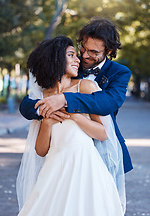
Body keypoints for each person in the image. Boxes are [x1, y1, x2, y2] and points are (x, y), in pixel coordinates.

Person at [7, 36, 131, 216]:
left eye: (77, 54)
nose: (79, 59)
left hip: (87, 169)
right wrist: (46, 121)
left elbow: (103, 133)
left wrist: (72, 112)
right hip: (53, 171)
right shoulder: (43, 97)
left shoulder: (86, 87)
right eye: (72, 54)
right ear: (55, 59)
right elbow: (40, 150)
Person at [19, 17, 133, 176]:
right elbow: (26, 105)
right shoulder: (68, 65)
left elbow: (110, 101)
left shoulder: (119, 72)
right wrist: (45, 110)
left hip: (103, 150)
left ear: (109, 51)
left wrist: (65, 99)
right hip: (63, 154)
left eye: (93, 52)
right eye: (83, 48)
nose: (84, 56)